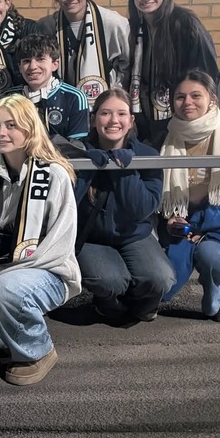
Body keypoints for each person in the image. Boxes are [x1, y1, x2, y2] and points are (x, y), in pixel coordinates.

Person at [0, 94, 81, 385]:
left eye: (11, 125)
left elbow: (57, 248)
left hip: (46, 270)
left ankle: (38, 351)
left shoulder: (53, 174)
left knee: (3, 291)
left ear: (29, 128)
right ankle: (16, 329)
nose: (1, 133)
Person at [159, 71, 220, 322]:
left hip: (218, 219)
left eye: (196, 95)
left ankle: (218, 293)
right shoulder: (161, 138)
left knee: (213, 256)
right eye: (180, 97)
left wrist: (209, 225)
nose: (187, 102)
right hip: (175, 218)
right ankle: (155, 295)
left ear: (212, 99)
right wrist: (170, 218)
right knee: (166, 275)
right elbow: (153, 190)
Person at [75, 89, 175, 322]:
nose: (113, 120)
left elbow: (141, 209)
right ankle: (107, 302)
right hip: (92, 237)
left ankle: (140, 305)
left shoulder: (147, 156)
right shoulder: (77, 152)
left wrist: (123, 171)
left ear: (131, 121)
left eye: (121, 113)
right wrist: (89, 166)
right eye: (105, 113)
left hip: (133, 235)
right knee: (108, 280)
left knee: (161, 278)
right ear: (94, 119)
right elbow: (67, 201)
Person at [127, 0, 220, 147]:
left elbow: (206, 71)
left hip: (183, 114)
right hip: (149, 118)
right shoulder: (136, 28)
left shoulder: (185, 23)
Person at [38, 0, 130, 99]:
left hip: (103, 105)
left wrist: (116, 92)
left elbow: (128, 63)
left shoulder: (112, 22)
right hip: (62, 104)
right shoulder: (47, 25)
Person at [7, 34, 90, 159]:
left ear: (55, 64)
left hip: (62, 170)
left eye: (40, 59)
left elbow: (78, 148)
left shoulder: (74, 97)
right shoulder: (9, 98)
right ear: (19, 67)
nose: (33, 66)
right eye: (26, 61)